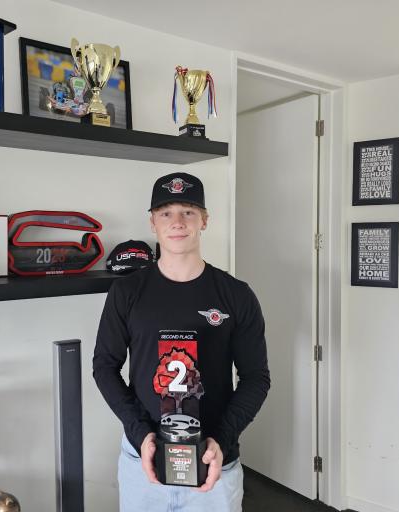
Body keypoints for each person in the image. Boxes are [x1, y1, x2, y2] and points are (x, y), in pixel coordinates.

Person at [93, 172, 271, 512]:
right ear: (152, 222)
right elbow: (104, 366)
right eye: (165, 212)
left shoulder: (236, 295)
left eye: (188, 211)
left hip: (214, 464)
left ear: (204, 220)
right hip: (143, 463)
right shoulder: (127, 292)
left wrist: (222, 438)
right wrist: (140, 433)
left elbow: (255, 377)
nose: (177, 221)